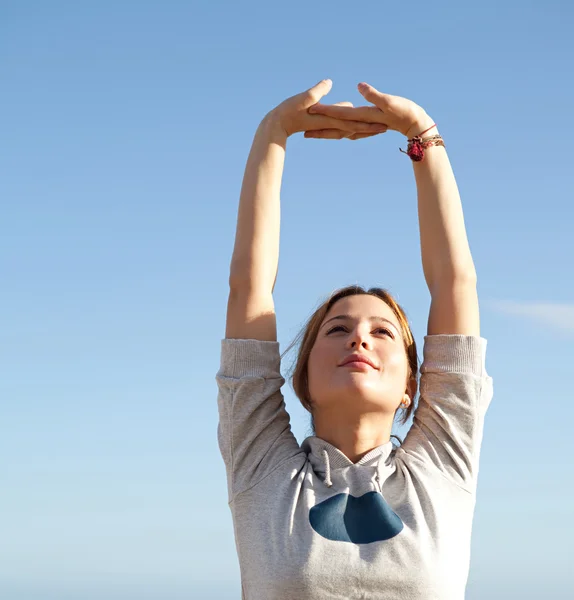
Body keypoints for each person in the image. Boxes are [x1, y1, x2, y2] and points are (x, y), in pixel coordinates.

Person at [216, 79, 493, 600]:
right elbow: (248, 286)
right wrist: (272, 134)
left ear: (414, 383)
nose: (359, 340)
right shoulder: (263, 469)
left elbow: (456, 284)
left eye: (382, 331)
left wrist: (422, 136)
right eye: (337, 329)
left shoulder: (441, 469)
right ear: (302, 381)